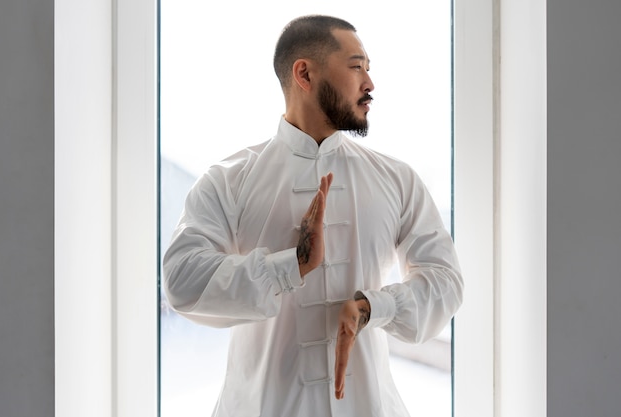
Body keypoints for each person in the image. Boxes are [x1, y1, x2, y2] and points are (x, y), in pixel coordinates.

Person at [163, 14, 463, 417]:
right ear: (304, 73)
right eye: (357, 67)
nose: (370, 84)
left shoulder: (397, 180)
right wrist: (292, 265)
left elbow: (446, 282)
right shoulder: (228, 181)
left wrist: (373, 307)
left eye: (369, 70)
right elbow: (182, 280)